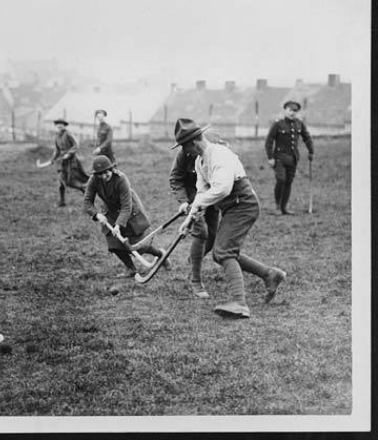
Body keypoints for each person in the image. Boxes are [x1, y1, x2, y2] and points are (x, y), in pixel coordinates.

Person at [174, 118, 286, 319]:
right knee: (221, 253)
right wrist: (188, 220)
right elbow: (202, 192)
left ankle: (240, 303)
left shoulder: (219, 154)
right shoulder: (200, 162)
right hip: (231, 208)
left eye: (184, 146)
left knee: (224, 251)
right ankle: (269, 274)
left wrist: (200, 205)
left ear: (193, 142)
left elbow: (222, 188)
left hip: (243, 205)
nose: (184, 151)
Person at [84, 155, 164, 278]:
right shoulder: (94, 180)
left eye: (106, 173)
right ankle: (131, 269)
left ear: (111, 169)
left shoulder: (121, 179)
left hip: (129, 210)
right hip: (110, 211)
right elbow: (87, 202)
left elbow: (126, 206)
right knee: (114, 243)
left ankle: (160, 254)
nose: (104, 177)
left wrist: (118, 225)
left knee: (137, 245)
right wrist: (97, 214)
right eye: (100, 174)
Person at [169, 144, 220, 299]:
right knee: (201, 232)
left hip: (212, 197)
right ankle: (195, 281)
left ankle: (194, 260)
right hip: (193, 198)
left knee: (211, 238)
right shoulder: (184, 153)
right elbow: (175, 178)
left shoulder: (215, 151)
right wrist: (184, 201)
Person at [264, 100, 314, 215]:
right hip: (279, 158)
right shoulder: (278, 124)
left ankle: (284, 208)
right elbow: (269, 142)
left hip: (293, 159)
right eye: (290, 110)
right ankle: (277, 207)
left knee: (288, 182)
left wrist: (311, 151)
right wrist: (270, 157)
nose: (292, 113)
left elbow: (307, 137)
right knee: (281, 179)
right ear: (285, 110)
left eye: (295, 111)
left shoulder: (299, 124)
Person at [50, 118, 89, 207]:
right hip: (61, 161)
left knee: (68, 181)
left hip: (71, 161)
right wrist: (52, 159)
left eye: (61, 124)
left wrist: (69, 153)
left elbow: (76, 145)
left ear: (64, 125)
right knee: (61, 182)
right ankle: (62, 202)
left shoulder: (68, 134)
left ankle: (84, 190)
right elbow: (56, 150)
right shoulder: (57, 136)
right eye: (57, 124)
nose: (59, 126)